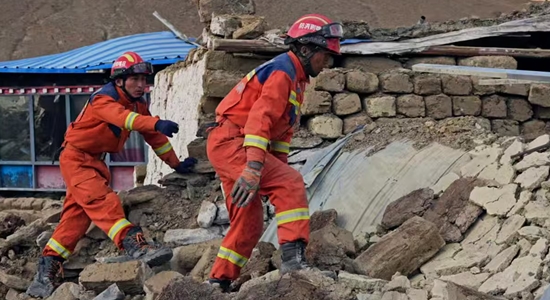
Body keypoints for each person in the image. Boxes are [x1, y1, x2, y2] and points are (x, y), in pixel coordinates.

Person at [26, 51, 197, 298]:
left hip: (94, 161)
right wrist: (155, 122)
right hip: (76, 159)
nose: (141, 85)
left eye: (143, 79)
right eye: (135, 79)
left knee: (76, 218)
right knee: (103, 201)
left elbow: (155, 139)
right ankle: (135, 245)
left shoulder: (137, 104)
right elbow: (125, 119)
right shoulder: (104, 100)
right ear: (119, 80)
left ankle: (45, 274)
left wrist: (176, 164)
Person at [205, 13, 343, 292]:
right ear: (305, 49)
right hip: (234, 143)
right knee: (291, 182)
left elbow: (280, 133)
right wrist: (256, 169)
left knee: (250, 223)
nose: (327, 62)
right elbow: (259, 120)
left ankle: (217, 282)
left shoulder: (296, 78)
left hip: (232, 144)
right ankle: (293, 262)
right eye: (324, 55)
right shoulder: (283, 72)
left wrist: (272, 170)